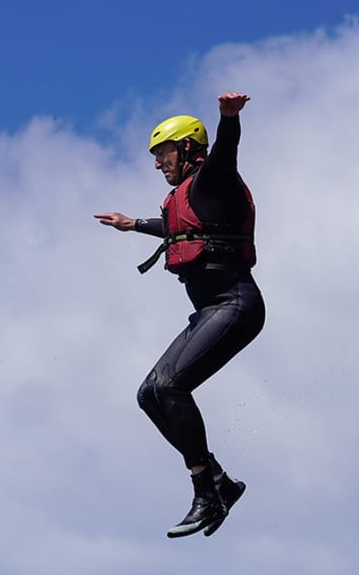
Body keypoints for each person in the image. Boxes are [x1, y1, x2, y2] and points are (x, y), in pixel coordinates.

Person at [94, 92, 265, 537]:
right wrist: (133, 224)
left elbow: (226, 153)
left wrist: (228, 120)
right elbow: (176, 228)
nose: (157, 164)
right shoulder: (189, 199)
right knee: (149, 394)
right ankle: (219, 481)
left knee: (170, 385)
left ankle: (206, 490)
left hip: (236, 304)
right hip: (210, 310)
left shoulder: (215, 179)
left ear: (189, 148)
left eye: (163, 153)